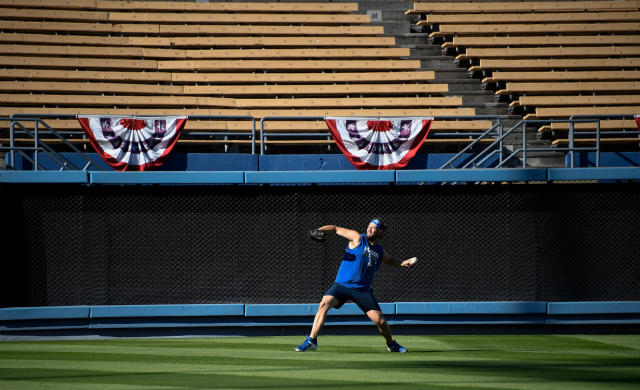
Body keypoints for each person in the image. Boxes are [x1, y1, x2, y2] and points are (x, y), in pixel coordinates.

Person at [295, 218, 417, 353]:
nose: (369, 229)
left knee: (380, 321)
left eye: (373, 227)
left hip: (362, 290)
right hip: (342, 285)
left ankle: (391, 344)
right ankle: (312, 340)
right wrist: (319, 230)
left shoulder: (379, 251)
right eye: (369, 226)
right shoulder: (357, 238)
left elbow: (391, 260)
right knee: (324, 303)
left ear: (380, 232)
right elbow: (336, 229)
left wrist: (404, 262)